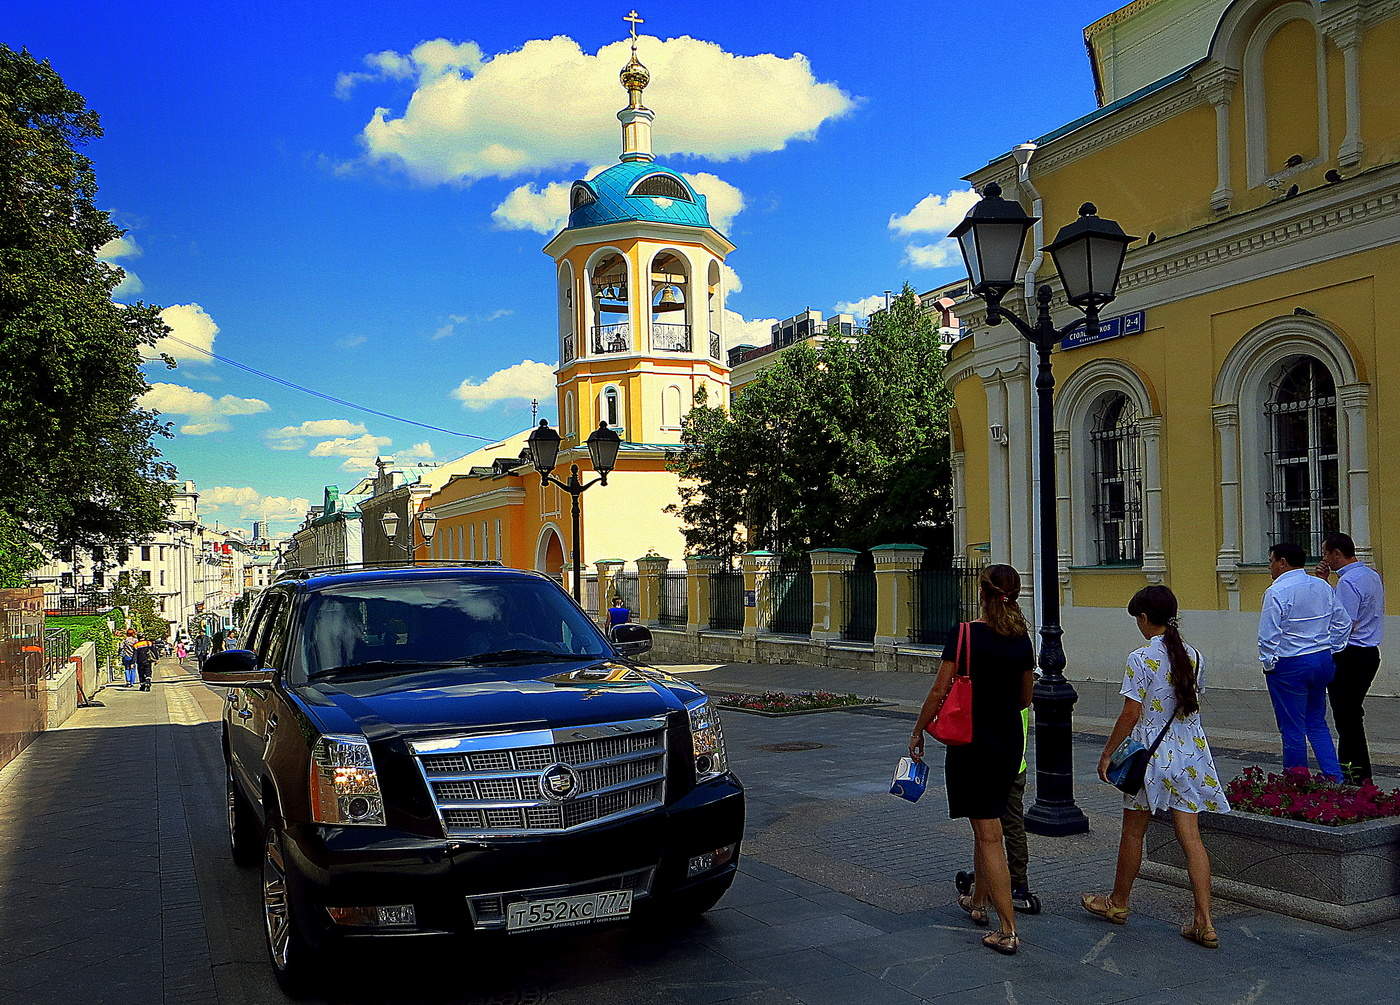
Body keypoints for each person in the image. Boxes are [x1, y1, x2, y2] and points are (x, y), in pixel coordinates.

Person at [1083, 585, 1229, 949]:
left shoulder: (1140, 658)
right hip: (1191, 755)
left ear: (1145, 618)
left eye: (1138, 619)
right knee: (1191, 837)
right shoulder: (1194, 655)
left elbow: (1131, 713)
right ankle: (1204, 920)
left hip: (1152, 757)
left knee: (1133, 832)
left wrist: (1107, 754)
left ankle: (1118, 902)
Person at [909, 564, 1034, 956]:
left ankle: (1008, 929)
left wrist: (918, 730)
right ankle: (978, 903)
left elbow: (938, 690)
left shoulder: (963, 635)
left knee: (988, 835)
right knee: (989, 826)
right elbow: (1025, 698)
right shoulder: (1021, 638)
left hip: (971, 744)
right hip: (1008, 742)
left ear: (981, 592)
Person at [1259, 542, 1350, 780]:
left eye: (1271, 561)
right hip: (1321, 658)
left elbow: (1268, 634)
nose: (1270, 567)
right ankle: (1334, 775)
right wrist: (1333, 647)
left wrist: (1269, 663)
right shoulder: (1321, 585)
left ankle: (1296, 780)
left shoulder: (1277, 591)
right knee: (1316, 720)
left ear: (1282, 562)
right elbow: (1343, 622)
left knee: (1291, 726)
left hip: (1290, 663)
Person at [953, 706, 1040, 915]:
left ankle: (1004, 890)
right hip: (1014, 764)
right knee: (1012, 827)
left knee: (987, 834)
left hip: (991, 763)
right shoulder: (1019, 685)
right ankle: (1017, 882)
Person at [1315, 532, 1386, 784]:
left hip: (1350, 654)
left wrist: (1330, 651)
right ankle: (1359, 771)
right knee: (1352, 715)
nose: (1325, 559)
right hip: (1369, 652)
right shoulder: (1370, 575)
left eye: (1326, 553)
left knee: (1346, 719)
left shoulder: (1348, 582)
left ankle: (1353, 773)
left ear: (1337, 553)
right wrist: (1325, 582)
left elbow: (1344, 621)